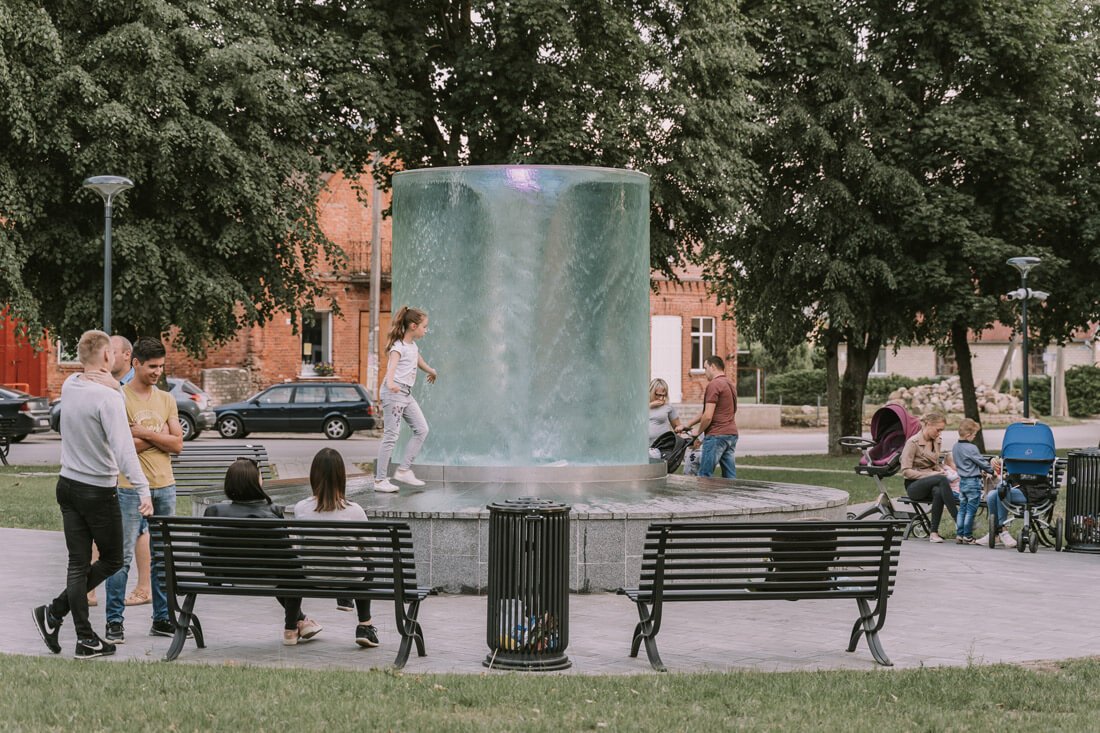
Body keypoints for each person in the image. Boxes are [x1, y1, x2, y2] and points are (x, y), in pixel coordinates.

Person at [33, 330, 152, 659]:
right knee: (113, 558)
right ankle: (57, 613)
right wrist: (143, 489)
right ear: (105, 358)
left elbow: (87, 380)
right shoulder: (109, 398)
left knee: (78, 563)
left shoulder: (69, 385)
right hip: (97, 490)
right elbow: (124, 450)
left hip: (67, 484)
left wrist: (113, 387)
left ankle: (77, 632)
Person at [104, 337, 185, 644]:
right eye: (152, 366)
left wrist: (142, 433)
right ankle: (114, 621)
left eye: (161, 366)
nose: (157, 372)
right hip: (130, 490)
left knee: (162, 556)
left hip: (166, 487)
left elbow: (178, 445)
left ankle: (162, 619)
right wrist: (160, 435)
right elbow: (119, 449)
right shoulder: (119, 398)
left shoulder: (166, 399)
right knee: (121, 557)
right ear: (135, 363)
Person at [204, 458, 323, 645]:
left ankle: (302, 620)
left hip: (229, 577)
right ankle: (292, 628)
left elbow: (207, 553)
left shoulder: (213, 512)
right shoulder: (271, 511)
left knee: (284, 571)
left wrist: (215, 577)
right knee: (293, 573)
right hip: (269, 578)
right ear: (255, 482)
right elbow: (288, 561)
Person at [294, 448, 381, 648]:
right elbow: (373, 551)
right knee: (368, 563)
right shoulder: (354, 511)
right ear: (342, 477)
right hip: (350, 577)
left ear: (313, 476)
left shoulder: (301, 508)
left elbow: (300, 548)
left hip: (313, 577)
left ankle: (293, 624)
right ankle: (365, 626)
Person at [87, 334, 135, 608]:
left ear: (126, 355)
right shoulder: (101, 383)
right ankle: (89, 590)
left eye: (111, 351)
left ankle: (135, 591)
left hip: (126, 476)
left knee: (123, 545)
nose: (106, 356)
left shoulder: (129, 387)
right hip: (102, 472)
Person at [374, 306, 437, 493]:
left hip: (405, 394)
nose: (426, 330)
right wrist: (392, 383)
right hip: (393, 393)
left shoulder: (412, 346)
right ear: (413, 326)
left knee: (422, 429)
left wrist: (432, 371)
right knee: (391, 436)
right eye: (424, 327)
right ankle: (379, 480)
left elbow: (419, 361)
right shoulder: (398, 347)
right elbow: (391, 367)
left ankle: (403, 470)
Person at [900, 411, 958, 544]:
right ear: (928, 424)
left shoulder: (937, 441)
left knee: (938, 490)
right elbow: (906, 471)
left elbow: (935, 464)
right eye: (938, 430)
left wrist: (942, 470)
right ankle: (958, 520)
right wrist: (930, 474)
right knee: (941, 480)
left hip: (933, 482)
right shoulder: (912, 442)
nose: (940, 433)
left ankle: (933, 533)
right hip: (914, 485)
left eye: (941, 431)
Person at [684, 356, 738, 478]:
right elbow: (706, 412)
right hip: (731, 435)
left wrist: (698, 431)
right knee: (730, 477)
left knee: (704, 476)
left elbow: (708, 416)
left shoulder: (714, 384)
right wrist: (687, 425)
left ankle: (704, 498)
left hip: (716, 436)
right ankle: (732, 497)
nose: (705, 372)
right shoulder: (730, 384)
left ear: (713, 367)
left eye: (705, 368)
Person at [951, 418, 995, 545]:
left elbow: (965, 463)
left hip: (962, 482)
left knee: (962, 509)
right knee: (971, 510)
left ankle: (959, 534)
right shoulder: (971, 447)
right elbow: (981, 462)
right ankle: (968, 536)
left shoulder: (955, 447)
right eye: (974, 434)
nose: (975, 437)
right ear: (968, 435)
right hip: (972, 483)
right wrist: (991, 471)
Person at [648, 378, 682, 446]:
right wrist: (649, 405)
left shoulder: (668, 406)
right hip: (644, 447)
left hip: (662, 447)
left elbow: (678, 426)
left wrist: (676, 443)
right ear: (651, 392)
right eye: (658, 395)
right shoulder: (641, 405)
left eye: (664, 395)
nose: (661, 398)